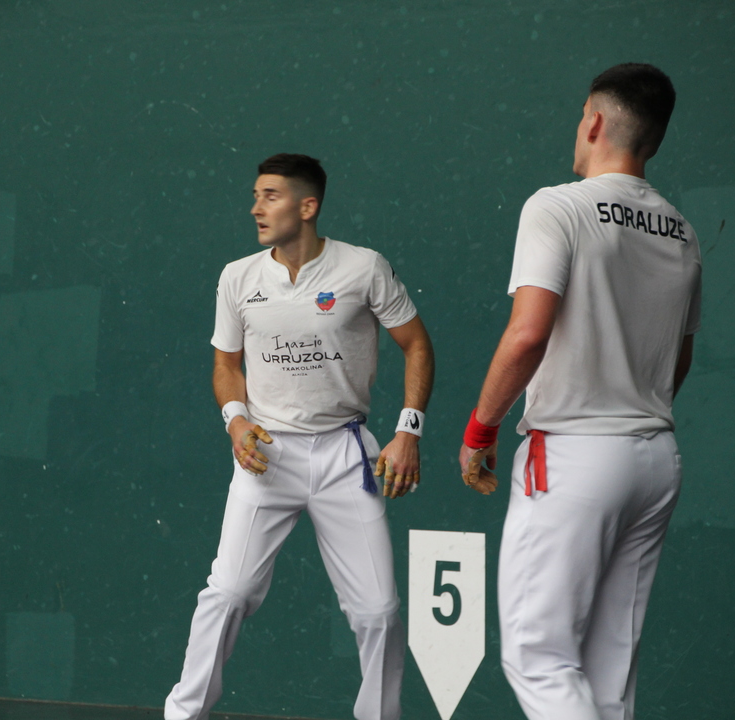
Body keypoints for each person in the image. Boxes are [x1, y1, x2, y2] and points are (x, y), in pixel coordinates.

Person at [458, 64, 701, 720]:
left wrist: (480, 430)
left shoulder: (558, 206)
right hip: (654, 459)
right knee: (608, 671)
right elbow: (678, 359)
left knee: (538, 657)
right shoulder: (682, 233)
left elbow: (527, 335)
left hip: (574, 458)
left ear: (593, 122)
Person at [165, 153, 434, 720]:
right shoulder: (238, 277)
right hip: (266, 455)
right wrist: (236, 420)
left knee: (379, 611)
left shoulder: (363, 268)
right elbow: (226, 364)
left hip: (344, 455)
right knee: (229, 592)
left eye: (270, 196)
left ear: (307, 206)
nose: (255, 207)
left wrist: (408, 430)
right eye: (256, 196)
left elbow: (416, 344)